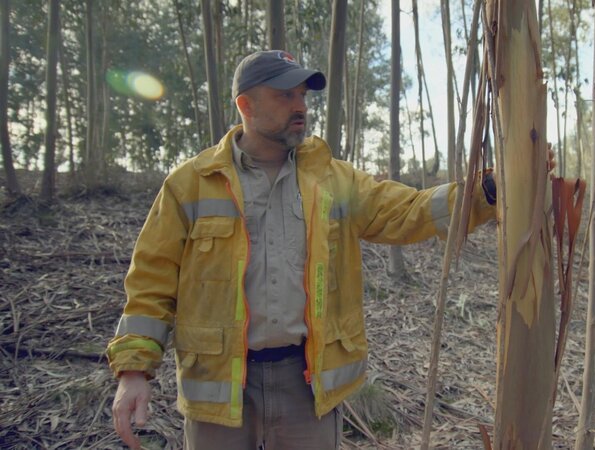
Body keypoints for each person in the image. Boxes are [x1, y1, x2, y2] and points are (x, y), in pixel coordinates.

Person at [107, 50, 496, 450]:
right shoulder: (191, 183)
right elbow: (151, 280)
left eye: (303, 96)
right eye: (285, 96)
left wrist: (486, 193)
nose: (300, 107)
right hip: (219, 383)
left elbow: (408, 211)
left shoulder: (332, 179)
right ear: (246, 104)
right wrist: (134, 371)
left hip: (306, 383)